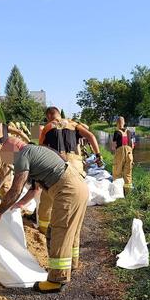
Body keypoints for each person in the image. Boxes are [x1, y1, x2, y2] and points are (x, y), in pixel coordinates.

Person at [0, 137, 89, 293]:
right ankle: (71, 265)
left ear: (14, 148)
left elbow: (16, 189)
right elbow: (34, 189)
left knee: (58, 233)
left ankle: (57, 280)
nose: (9, 161)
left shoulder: (23, 155)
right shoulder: (36, 151)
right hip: (79, 187)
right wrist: (19, 204)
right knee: (71, 231)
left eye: (7, 155)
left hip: (68, 191)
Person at [37, 107, 102, 270]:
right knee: (75, 215)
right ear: (59, 114)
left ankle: (43, 231)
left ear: (48, 116)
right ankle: (74, 261)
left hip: (57, 164)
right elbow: (91, 136)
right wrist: (98, 155)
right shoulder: (74, 124)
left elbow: (41, 150)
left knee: (47, 201)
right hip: (76, 164)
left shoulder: (47, 127)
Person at [111, 116, 135, 194]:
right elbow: (133, 145)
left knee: (117, 172)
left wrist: (115, 154)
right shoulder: (129, 132)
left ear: (117, 123)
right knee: (128, 174)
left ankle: (118, 193)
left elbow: (114, 146)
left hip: (120, 152)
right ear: (124, 123)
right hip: (129, 153)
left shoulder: (116, 132)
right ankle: (128, 193)